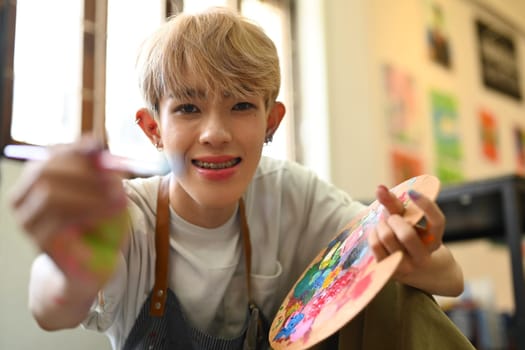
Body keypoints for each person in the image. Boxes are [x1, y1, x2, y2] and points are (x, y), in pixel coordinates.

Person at [10, 6, 466, 350]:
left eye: (242, 106)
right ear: (153, 129)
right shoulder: (129, 216)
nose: (215, 132)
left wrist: (413, 254)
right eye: (188, 108)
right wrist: (72, 260)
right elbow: (51, 308)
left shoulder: (293, 193)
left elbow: (450, 281)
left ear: (272, 121)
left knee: (394, 294)